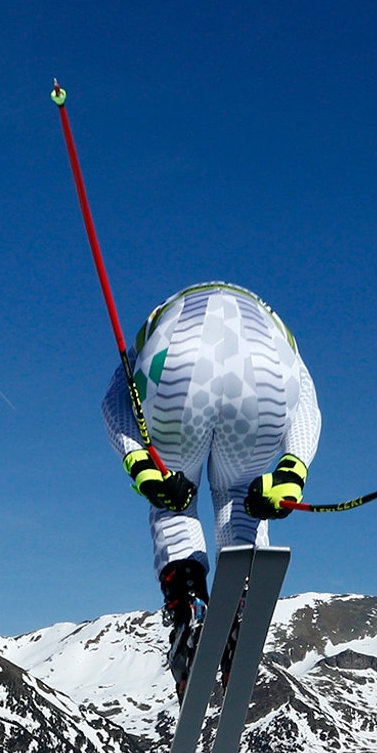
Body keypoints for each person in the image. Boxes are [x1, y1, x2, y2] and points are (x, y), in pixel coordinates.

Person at [102, 282, 321, 693]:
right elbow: (305, 400)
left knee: (173, 496)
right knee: (242, 495)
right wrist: (293, 469)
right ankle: (241, 596)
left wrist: (140, 463)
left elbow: (116, 397)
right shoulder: (274, 325)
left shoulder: (163, 313)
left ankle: (187, 604)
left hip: (175, 364)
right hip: (266, 372)